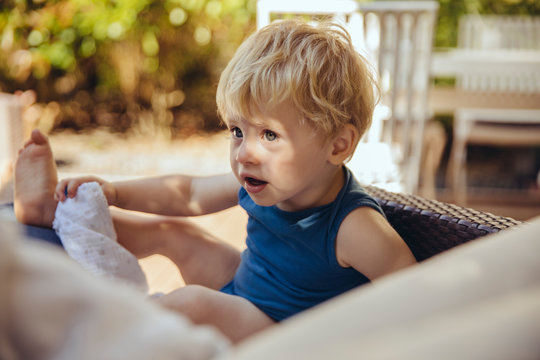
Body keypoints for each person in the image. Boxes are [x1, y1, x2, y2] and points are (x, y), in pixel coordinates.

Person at [13, 19, 416, 343]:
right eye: (238, 131)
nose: (244, 153)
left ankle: (109, 337)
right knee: (174, 232)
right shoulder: (265, 179)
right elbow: (186, 194)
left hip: (288, 337)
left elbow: (419, 292)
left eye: (269, 135)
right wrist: (113, 193)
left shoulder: (353, 226)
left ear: (338, 145)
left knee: (190, 305)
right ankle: (66, 217)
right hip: (246, 289)